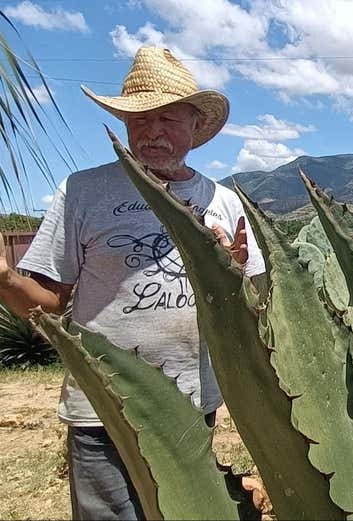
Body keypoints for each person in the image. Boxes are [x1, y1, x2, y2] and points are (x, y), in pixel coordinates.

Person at [0, 46, 265, 520]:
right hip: (103, 404)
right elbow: (48, 303)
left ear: (195, 126)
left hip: (190, 405)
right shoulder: (82, 191)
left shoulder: (222, 201)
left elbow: (254, 313)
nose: (152, 131)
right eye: (139, 118)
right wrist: (4, 280)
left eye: (167, 118)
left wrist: (233, 278)